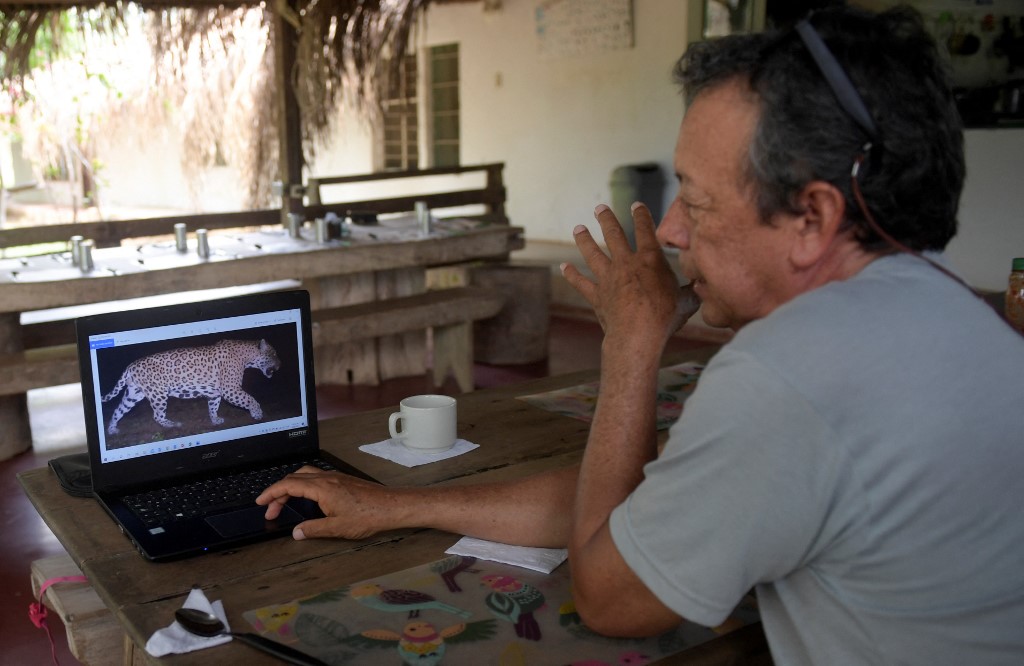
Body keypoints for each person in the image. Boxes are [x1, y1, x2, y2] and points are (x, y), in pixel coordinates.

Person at [258, 5, 1024, 664]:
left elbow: (611, 596)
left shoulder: (786, 374)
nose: (673, 230)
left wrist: (630, 341)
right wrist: (393, 507)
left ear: (815, 217)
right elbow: (643, 498)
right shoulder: (962, 321)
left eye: (698, 199)